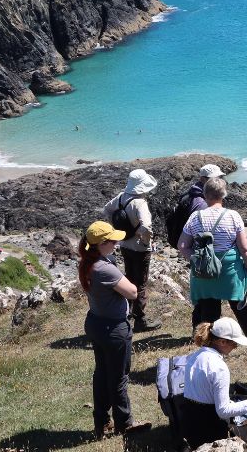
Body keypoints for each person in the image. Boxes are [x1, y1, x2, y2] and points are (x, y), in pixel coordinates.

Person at [177, 178, 247, 353]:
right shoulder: (233, 216)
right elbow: (245, 248)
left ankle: (208, 349)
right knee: (241, 307)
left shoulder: (195, 217)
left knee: (208, 310)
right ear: (224, 195)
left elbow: (182, 246)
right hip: (230, 270)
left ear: (205, 195)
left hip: (204, 270)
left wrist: (197, 260)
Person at [77, 221, 151, 440]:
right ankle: (124, 423)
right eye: (112, 240)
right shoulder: (104, 268)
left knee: (102, 374)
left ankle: (101, 422)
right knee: (119, 377)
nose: (117, 242)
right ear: (102, 243)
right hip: (114, 328)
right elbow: (133, 292)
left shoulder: (88, 263)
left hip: (96, 322)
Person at [179, 317, 247, 448]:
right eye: (234, 343)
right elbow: (223, 411)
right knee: (243, 414)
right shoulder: (219, 367)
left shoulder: (195, 356)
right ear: (222, 342)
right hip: (209, 429)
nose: (236, 347)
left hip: (190, 422)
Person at [104, 169, 161, 332]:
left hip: (124, 244)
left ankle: (126, 312)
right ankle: (140, 320)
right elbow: (146, 226)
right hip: (140, 248)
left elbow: (106, 210)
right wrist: (145, 240)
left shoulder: (121, 197)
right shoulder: (140, 203)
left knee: (129, 278)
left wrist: (118, 228)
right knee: (141, 283)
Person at [168, 164, 226, 246]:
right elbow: (200, 229)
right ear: (202, 179)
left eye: (220, 177)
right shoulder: (199, 202)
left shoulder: (198, 193)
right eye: (215, 178)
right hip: (199, 248)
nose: (218, 181)